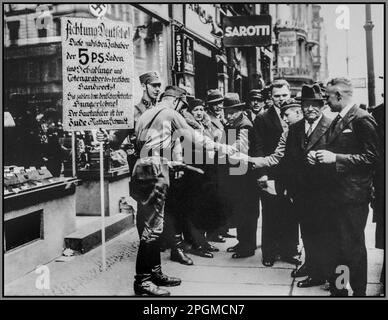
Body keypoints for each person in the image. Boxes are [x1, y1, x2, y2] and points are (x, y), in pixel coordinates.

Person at [120, 86, 236, 296]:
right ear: (175, 101)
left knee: (154, 225)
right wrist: (225, 148)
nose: (183, 111)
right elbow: (193, 137)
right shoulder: (170, 112)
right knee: (152, 229)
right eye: (183, 105)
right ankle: (143, 281)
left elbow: (141, 144)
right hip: (155, 170)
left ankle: (155, 272)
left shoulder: (146, 113)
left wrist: (169, 162)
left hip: (143, 168)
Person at [316, 77, 380, 296]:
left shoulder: (362, 119)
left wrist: (336, 158)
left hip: (353, 197)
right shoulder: (340, 118)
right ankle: (341, 291)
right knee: (338, 247)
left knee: (352, 248)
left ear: (338, 95)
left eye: (327, 96)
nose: (326, 100)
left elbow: (373, 158)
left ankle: (359, 293)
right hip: (337, 195)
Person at [281, 85, 333, 288]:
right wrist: (288, 187)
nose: (310, 108)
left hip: (324, 193)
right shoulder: (294, 129)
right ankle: (312, 265)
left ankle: (322, 273)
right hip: (301, 193)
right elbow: (288, 161)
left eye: (315, 105)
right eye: (306, 105)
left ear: (322, 106)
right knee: (308, 232)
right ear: (301, 107)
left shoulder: (331, 126)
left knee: (324, 233)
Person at [251, 79, 300, 267]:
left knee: (291, 212)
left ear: (290, 94)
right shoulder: (263, 118)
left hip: (291, 175)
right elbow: (258, 147)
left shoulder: (297, 116)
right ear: (271, 98)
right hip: (270, 173)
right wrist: (262, 173)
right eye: (277, 96)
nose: (281, 99)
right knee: (270, 211)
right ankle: (269, 252)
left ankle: (290, 250)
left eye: (284, 95)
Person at [222, 93, 259, 258]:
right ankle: (242, 241)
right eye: (227, 112)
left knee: (247, 211)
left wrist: (222, 148)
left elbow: (241, 145)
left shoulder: (244, 125)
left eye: (232, 112)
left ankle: (247, 246)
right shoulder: (234, 123)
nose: (228, 115)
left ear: (239, 110)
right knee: (240, 210)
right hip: (237, 174)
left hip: (245, 177)